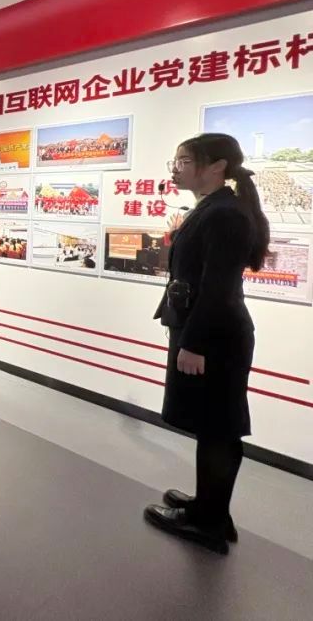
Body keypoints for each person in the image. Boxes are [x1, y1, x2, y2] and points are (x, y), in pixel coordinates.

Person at [144, 133, 270, 556]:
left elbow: (218, 287)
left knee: (218, 427)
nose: (175, 168)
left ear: (216, 166)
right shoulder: (214, 208)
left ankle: (210, 523)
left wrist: (194, 343)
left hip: (214, 336)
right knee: (213, 423)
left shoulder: (225, 215)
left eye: (184, 161)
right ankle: (209, 507)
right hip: (209, 330)